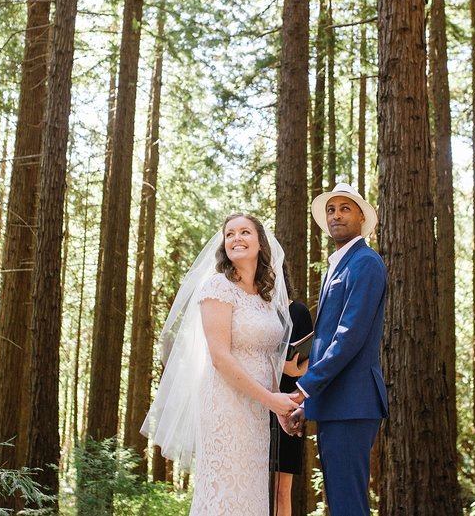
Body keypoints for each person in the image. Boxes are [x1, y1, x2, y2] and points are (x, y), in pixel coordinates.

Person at [141, 213, 296, 516]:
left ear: (261, 243)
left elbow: (267, 355)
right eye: (230, 234)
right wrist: (271, 401)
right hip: (225, 404)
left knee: (250, 490)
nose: (236, 238)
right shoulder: (218, 287)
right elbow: (220, 358)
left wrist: (279, 408)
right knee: (225, 489)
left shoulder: (265, 295)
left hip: (257, 410)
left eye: (245, 232)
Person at [286, 183, 388, 516]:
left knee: (348, 505)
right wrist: (311, 404)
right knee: (341, 502)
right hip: (336, 404)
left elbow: (348, 337)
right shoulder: (338, 265)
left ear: (362, 216)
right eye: (331, 210)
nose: (336, 215)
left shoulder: (366, 263)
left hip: (353, 403)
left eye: (345, 208)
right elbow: (327, 338)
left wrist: (303, 389)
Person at [271, 292, 313, 516]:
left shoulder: (299, 312)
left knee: (281, 490)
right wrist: (280, 365)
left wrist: (294, 370)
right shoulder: (253, 310)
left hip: (288, 406)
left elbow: (313, 361)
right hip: (253, 402)